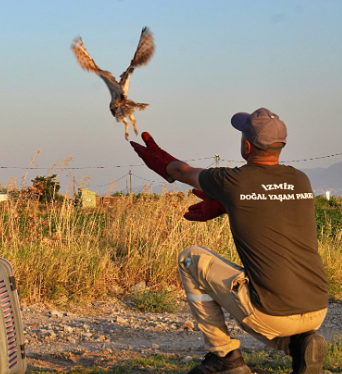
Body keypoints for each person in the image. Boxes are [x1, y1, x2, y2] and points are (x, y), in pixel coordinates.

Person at [130, 108, 329, 374]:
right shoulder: (300, 180)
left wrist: (158, 159)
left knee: (190, 258)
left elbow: (181, 170)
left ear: (247, 146)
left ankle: (225, 357)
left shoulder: (232, 181)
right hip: (317, 308)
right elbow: (268, 204)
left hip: (272, 313)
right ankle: (299, 344)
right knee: (264, 300)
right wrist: (228, 205)